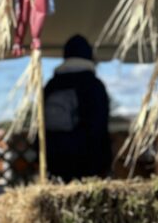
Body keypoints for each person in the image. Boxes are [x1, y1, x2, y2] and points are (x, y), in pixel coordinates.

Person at [43, 35, 112, 182]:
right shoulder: (94, 85)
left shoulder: (51, 85)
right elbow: (99, 126)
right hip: (88, 164)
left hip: (55, 162)